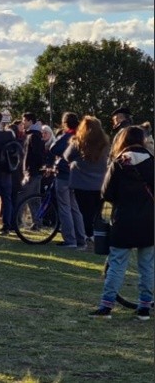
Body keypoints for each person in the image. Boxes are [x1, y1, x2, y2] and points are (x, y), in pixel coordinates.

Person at [89, 126, 153, 320]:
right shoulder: (152, 162)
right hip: (149, 220)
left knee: (116, 264)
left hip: (123, 219)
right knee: (148, 266)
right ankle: (144, 307)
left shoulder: (119, 163)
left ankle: (106, 306)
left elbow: (106, 193)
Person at [64, 116, 109, 241]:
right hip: (100, 183)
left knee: (83, 211)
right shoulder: (104, 144)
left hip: (81, 183)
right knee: (97, 211)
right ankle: (95, 234)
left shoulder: (78, 142)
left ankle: (86, 234)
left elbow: (67, 156)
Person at [50, 112, 87, 248]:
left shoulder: (67, 136)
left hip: (64, 175)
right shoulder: (81, 136)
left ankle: (70, 239)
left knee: (65, 208)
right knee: (74, 208)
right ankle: (81, 239)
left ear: (65, 123)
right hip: (76, 175)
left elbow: (53, 148)